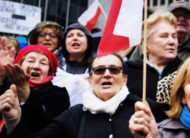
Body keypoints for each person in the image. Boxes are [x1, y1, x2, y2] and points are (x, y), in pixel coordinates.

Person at [0, 54, 140, 137]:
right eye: (99, 70)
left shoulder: (143, 109)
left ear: (125, 79)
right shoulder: (75, 115)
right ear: (90, 81)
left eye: (114, 70)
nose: (107, 74)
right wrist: (13, 121)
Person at [125, 12, 183, 121]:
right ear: (146, 43)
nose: (172, 41)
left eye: (174, 36)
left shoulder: (186, 70)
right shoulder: (128, 70)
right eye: (164, 36)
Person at [1, 45, 69, 133]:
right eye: (31, 61)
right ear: (19, 65)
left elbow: (43, 126)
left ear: (49, 71)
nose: (36, 66)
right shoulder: (5, 86)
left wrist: (24, 91)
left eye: (43, 63)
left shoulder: (58, 94)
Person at [52, 23, 94, 106]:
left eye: (80, 35)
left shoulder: (97, 69)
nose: (75, 38)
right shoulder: (55, 69)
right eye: (70, 36)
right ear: (65, 44)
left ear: (88, 43)